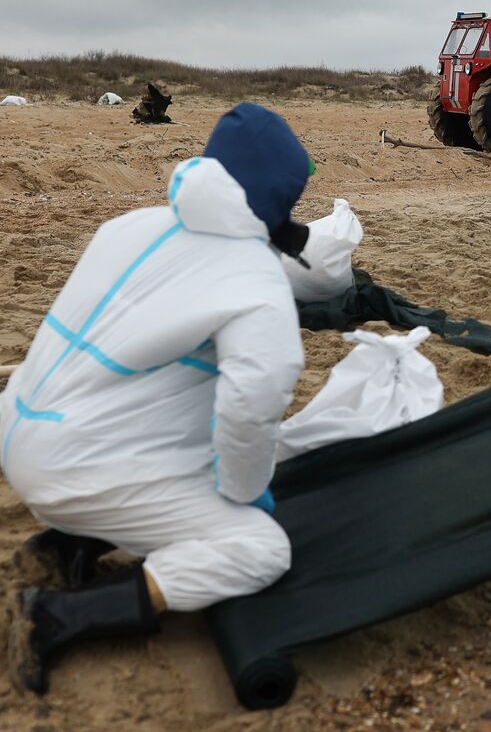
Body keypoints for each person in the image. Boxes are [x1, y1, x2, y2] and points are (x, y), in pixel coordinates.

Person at [2, 103, 313, 695]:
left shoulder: (132, 225)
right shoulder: (255, 283)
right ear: (283, 192)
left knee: (174, 404)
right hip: (72, 466)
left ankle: (71, 539)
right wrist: (245, 497)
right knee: (259, 548)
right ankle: (56, 617)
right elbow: (253, 404)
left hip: (17, 428)